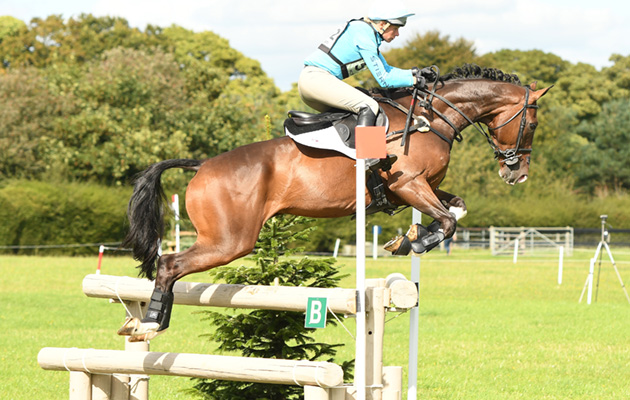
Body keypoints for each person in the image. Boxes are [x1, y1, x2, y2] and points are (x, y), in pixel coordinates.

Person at [298, 1, 435, 169]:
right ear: (383, 24)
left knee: (362, 103)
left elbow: (387, 69)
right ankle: (368, 157)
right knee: (369, 105)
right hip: (315, 80)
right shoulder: (363, 34)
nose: (397, 34)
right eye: (396, 28)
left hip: (315, 81)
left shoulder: (366, 33)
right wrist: (414, 81)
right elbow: (384, 79)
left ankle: (343, 161)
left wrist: (414, 73)